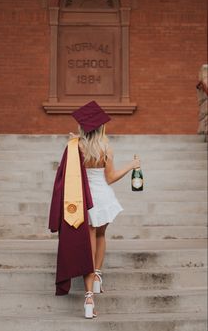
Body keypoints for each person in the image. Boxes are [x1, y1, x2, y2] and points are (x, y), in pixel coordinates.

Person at [48, 101, 140, 319]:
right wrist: (131, 165)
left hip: (82, 201)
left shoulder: (75, 146)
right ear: (101, 128)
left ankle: (89, 296)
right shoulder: (105, 147)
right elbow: (110, 177)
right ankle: (97, 277)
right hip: (103, 199)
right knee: (101, 235)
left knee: (88, 244)